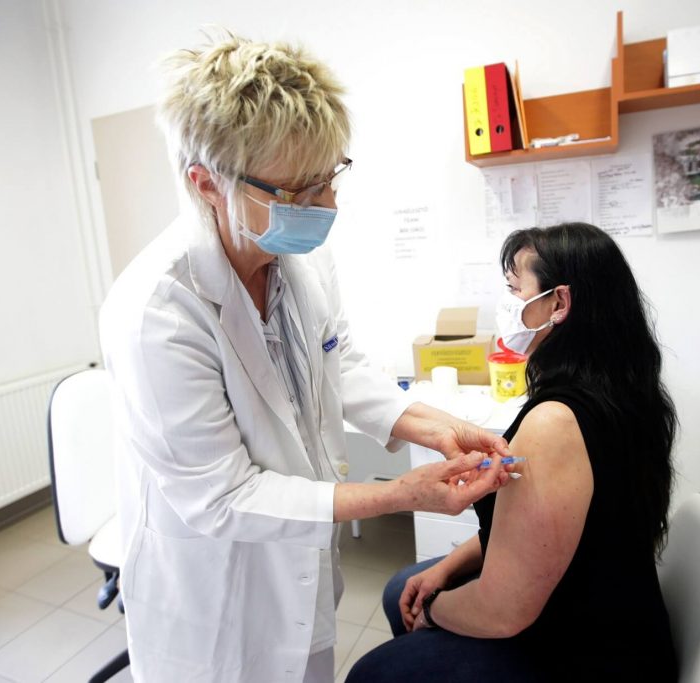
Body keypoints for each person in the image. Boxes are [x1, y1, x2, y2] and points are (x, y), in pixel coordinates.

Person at [98, 32, 511, 683]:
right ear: (207, 184)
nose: (327, 206)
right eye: (297, 191)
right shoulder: (157, 312)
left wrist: (434, 426)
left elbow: (337, 362)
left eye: (329, 178)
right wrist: (400, 494)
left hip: (300, 575)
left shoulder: (300, 258)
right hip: (213, 600)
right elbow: (224, 497)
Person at [347, 222, 679, 682]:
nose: (507, 305)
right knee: (401, 588)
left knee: (372, 671)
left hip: (590, 653)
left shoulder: (556, 423)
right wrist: (447, 568)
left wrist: (434, 610)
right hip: (605, 600)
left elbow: (503, 613)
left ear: (559, 303)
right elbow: (528, 533)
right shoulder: (623, 388)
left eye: (514, 289)